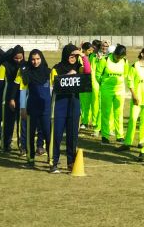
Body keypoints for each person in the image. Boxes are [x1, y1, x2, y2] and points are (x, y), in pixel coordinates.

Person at [51, 44, 91, 173]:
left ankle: (71, 162)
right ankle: (54, 162)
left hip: (74, 105)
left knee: (72, 135)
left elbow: (88, 72)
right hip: (60, 106)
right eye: (71, 56)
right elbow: (54, 86)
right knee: (57, 135)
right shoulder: (56, 69)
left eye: (75, 56)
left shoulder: (78, 68)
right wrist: (68, 75)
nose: (73, 58)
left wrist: (83, 57)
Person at [18, 49, 52, 167]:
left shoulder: (49, 72)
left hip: (46, 108)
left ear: (41, 59)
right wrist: (22, 108)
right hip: (31, 107)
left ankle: (51, 158)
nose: (35, 61)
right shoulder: (26, 72)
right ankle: (30, 159)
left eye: (37, 59)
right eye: (33, 59)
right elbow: (22, 91)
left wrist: (53, 107)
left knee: (48, 134)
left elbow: (54, 90)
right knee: (30, 134)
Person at [0, 45, 25, 153]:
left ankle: (22, 146)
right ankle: (6, 144)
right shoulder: (4, 66)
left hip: (22, 94)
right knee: (8, 121)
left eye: (20, 58)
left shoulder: (25, 65)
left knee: (22, 122)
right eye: (16, 58)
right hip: (8, 95)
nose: (18, 60)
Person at [98, 45, 128, 144]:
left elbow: (125, 74)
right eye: (116, 56)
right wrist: (103, 83)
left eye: (120, 57)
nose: (117, 58)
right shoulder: (105, 60)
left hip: (119, 90)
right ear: (114, 53)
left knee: (119, 113)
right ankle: (105, 136)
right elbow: (98, 74)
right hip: (106, 90)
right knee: (106, 113)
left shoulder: (125, 61)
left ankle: (120, 136)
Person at [79, 41, 98, 130]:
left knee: (93, 104)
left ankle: (94, 122)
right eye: (89, 50)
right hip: (84, 83)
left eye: (91, 50)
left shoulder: (93, 57)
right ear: (84, 50)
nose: (90, 52)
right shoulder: (80, 58)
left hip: (92, 83)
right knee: (84, 104)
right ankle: (84, 122)